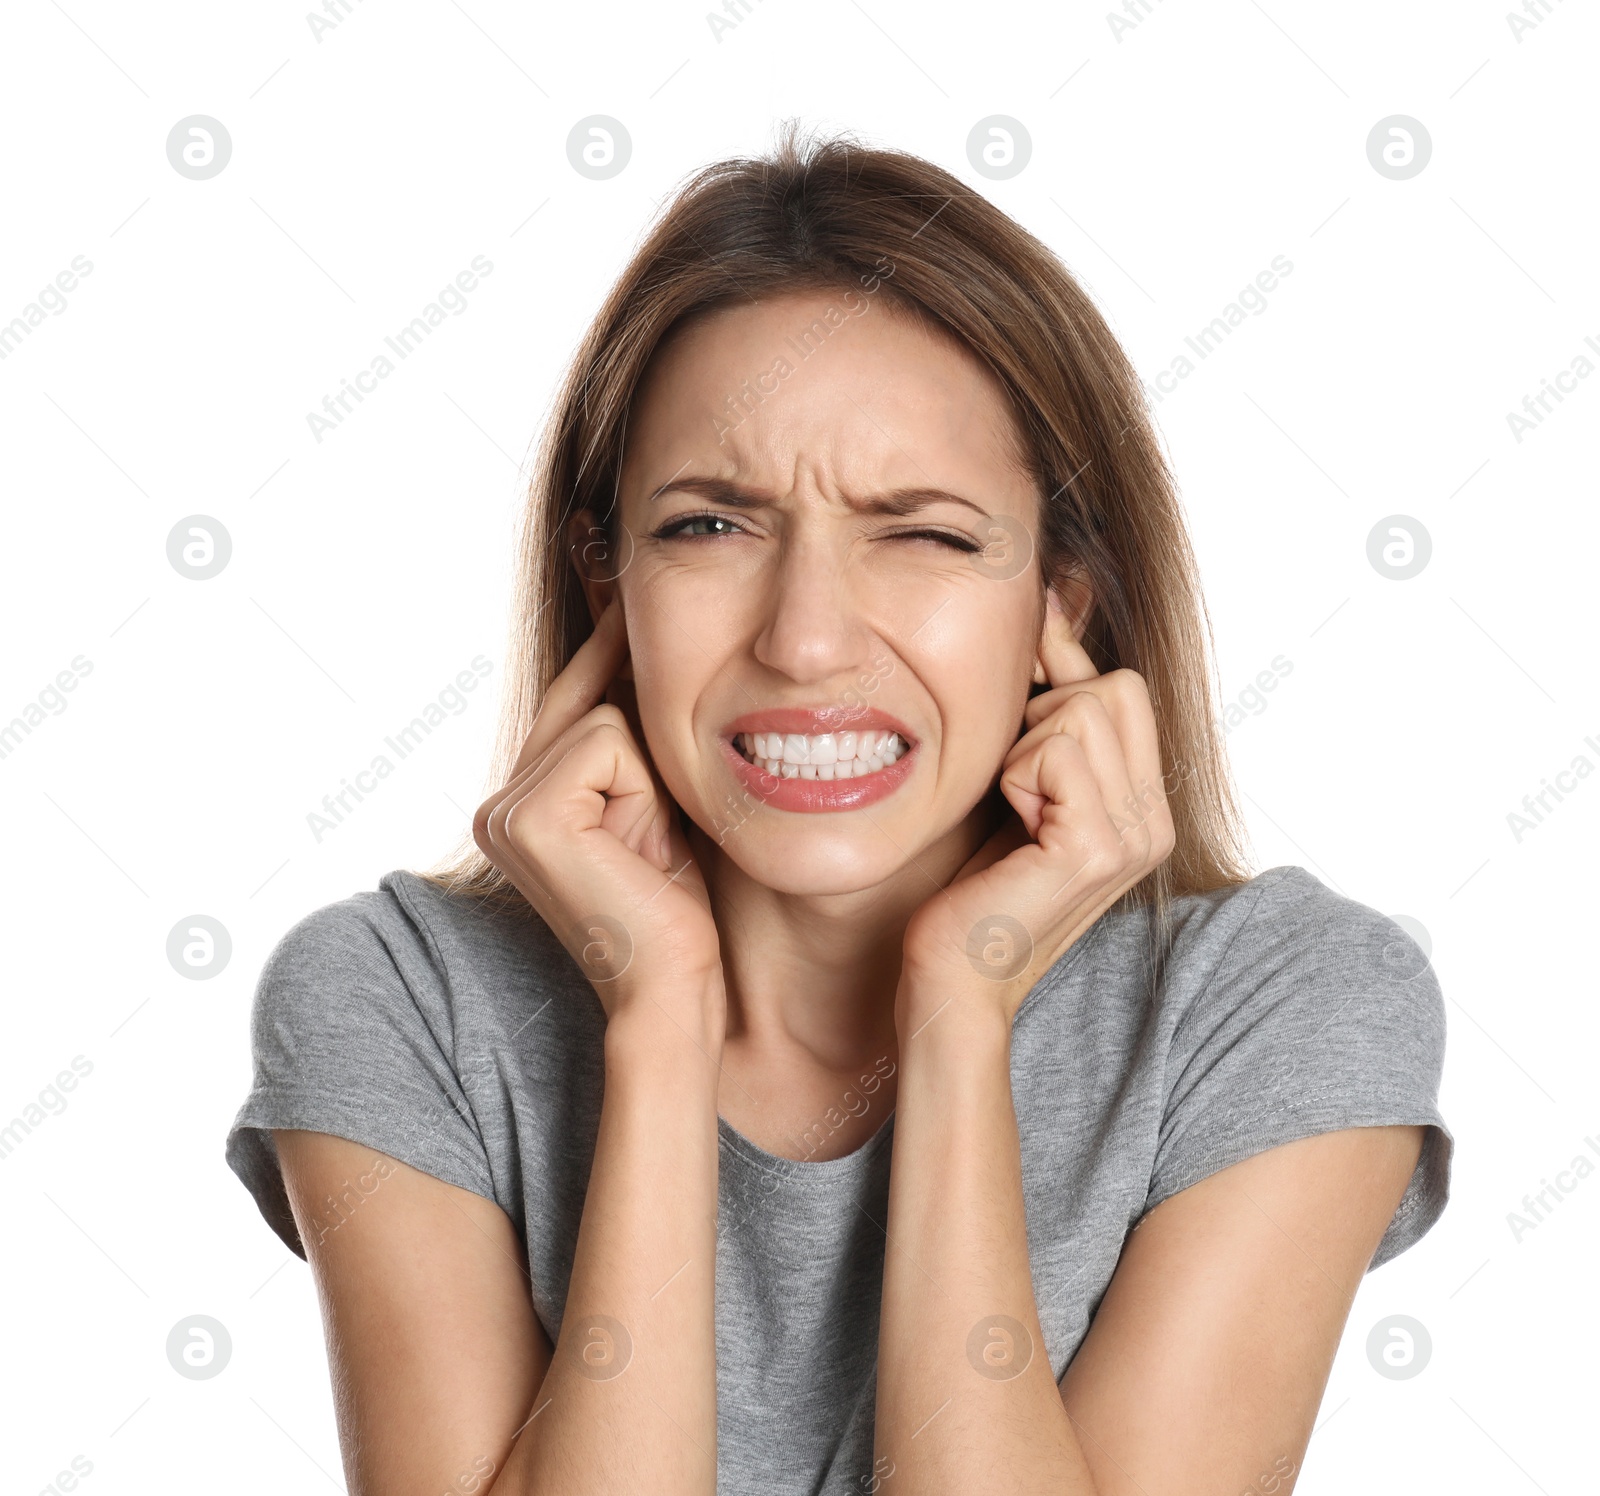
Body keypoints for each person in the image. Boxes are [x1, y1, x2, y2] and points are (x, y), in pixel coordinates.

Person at [226, 124, 1451, 1495]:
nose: (808, 640)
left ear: (1063, 599)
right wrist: (660, 1016)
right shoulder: (398, 1003)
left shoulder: (1282, 1007)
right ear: (605, 582)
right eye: (710, 526)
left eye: (923, 531)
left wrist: (957, 1007)